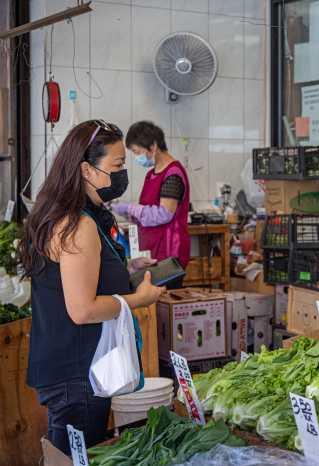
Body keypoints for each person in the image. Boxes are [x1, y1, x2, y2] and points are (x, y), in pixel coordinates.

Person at [19, 120, 165, 454]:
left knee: (72, 453)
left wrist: (126, 268)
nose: (123, 174)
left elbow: (77, 275)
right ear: (87, 169)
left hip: (70, 366)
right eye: (117, 166)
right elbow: (82, 309)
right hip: (76, 373)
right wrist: (137, 300)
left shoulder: (70, 213)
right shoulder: (78, 225)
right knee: (75, 456)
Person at [112, 121, 191, 289]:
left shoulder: (173, 174)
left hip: (170, 253)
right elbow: (146, 214)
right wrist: (122, 210)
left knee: (164, 304)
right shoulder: (151, 174)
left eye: (137, 152)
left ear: (153, 146)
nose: (137, 158)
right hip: (152, 249)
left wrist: (129, 207)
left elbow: (163, 214)